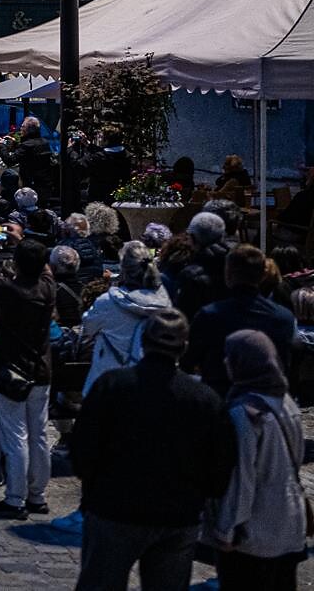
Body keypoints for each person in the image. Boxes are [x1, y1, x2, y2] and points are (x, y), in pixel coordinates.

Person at [70, 308, 236, 591]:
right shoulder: (204, 399)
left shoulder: (112, 385)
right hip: (177, 514)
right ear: (184, 347)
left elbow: (83, 447)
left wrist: (94, 487)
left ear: (144, 342)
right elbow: (221, 463)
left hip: (114, 508)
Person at [205, 330, 308, 590]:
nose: (226, 363)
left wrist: (226, 530)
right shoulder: (286, 403)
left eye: (230, 357)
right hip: (290, 525)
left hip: (255, 534)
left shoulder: (245, 413)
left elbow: (242, 479)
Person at [0, 236, 57, 520]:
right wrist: (21, 239)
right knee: (39, 435)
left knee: (15, 436)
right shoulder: (47, 289)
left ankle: (15, 498)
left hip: (11, 369)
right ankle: (38, 495)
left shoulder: (9, 289)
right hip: (40, 369)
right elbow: (47, 270)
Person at [185, 244, 297, 394]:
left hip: (220, 399)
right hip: (268, 401)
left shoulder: (209, 315)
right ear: (264, 275)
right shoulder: (284, 318)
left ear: (228, 274)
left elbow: (188, 361)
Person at [80, 240, 173, 394]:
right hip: (148, 383)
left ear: (123, 269)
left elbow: (87, 329)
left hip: (110, 380)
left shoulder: (107, 302)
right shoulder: (165, 303)